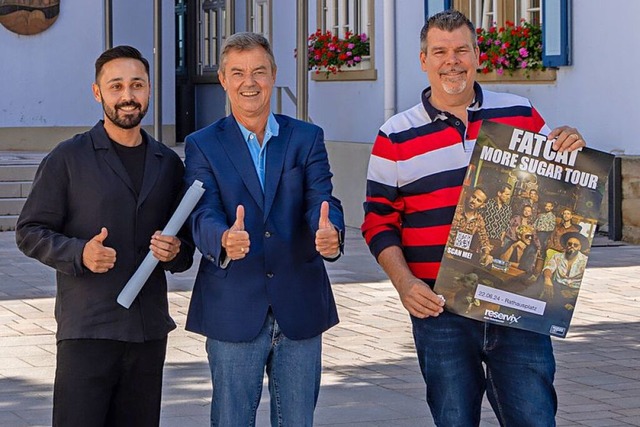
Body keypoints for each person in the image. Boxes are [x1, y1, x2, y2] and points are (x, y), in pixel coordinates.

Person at [361, 10, 586, 426]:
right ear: (423, 59)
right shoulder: (394, 135)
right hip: (440, 309)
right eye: (441, 51)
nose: (453, 61)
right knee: (453, 419)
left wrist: (569, 144)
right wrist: (404, 283)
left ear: (477, 55)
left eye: (462, 49)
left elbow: (559, 187)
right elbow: (378, 221)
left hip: (518, 304)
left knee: (535, 418)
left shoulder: (521, 114)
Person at [15, 45, 195, 427]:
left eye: (136, 85)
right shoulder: (68, 158)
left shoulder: (167, 163)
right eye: (116, 86)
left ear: (148, 91)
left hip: (147, 331)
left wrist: (175, 250)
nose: (127, 96)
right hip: (88, 327)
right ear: (98, 93)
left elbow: (184, 250)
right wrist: (80, 253)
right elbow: (29, 231)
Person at [183, 32, 345, 426]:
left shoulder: (306, 137)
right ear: (223, 79)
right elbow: (200, 212)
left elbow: (322, 200)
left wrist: (331, 233)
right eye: (237, 73)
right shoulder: (202, 144)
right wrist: (223, 238)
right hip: (233, 305)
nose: (249, 82)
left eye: (258, 71)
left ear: (273, 75)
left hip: (299, 303)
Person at [448, 186, 492, 265]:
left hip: (461, 257)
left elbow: (484, 238)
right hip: (445, 253)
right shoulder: (456, 210)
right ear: (470, 195)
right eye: (473, 197)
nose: (474, 201)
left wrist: (486, 253)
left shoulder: (479, 220)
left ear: (482, 205)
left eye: (478, 200)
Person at [480, 183, 513, 256]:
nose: (509, 197)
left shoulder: (508, 209)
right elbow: (479, 219)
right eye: (507, 194)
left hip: (496, 242)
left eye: (509, 195)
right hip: (482, 239)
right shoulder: (488, 203)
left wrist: (501, 240)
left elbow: (506, 226)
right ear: (499, 193)